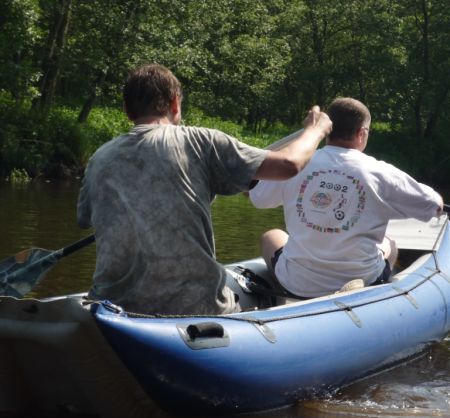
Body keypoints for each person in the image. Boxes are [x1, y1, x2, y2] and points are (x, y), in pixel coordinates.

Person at [77, 64, 331, 315]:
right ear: (175, 103)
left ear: (126, 110)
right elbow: (289, 164)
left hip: (112, 305)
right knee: (267, 297)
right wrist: (316, 129)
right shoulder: (199, 141)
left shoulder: (99, 157)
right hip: (194, 306)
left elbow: (85, 219)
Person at [249, 97, 443, 298]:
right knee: (389, 245)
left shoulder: (296, 164)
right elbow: (434, 206)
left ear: (327, 130)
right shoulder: (381, 172)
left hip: (297, 284)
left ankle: (292, 288)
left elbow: (258, 199)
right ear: (362, 133)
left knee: (271, 236)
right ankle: (375, 295)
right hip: (359, 280)